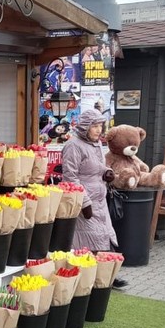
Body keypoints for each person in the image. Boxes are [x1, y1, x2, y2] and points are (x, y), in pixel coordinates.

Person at [60, 108, 125, 288]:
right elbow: (70, 176)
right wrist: (84, 202)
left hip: (100, 200)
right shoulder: (73, 146)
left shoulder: (96, 144)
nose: (98, 130)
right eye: (94, 126)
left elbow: (96, 167)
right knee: (89, 238)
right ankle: (93, 276)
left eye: (100, 126)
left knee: (105, 235)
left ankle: (107, 274)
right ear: (85, 126)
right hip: (84, 201)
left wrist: (107, 172)